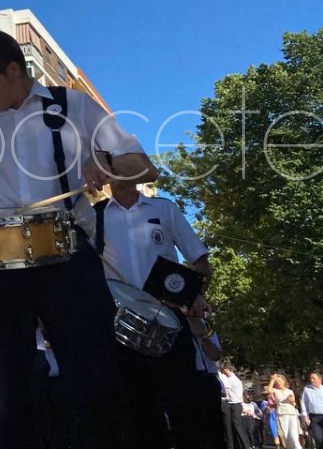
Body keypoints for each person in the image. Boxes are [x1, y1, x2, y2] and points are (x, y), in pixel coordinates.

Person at [0, 30, 156, 449]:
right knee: (7, 391)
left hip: (68, 258)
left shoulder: (73, 106)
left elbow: (143, 166)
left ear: (15, 70)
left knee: (93, 379)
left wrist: (106, 163)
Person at [93, 175, 212, 448]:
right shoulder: (94, 217)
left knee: (185, 409)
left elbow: (201, 261)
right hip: (119, 328)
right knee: (136, 415)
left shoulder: (164, 209)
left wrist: (196, 295)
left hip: (170, 322)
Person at [268, 375, 303, 449]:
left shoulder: (289, 391)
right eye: (277, 382)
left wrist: (291, 400)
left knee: (293, 434)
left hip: (291, 414)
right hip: (281, 414)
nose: (279, 383)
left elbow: (293, 400)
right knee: (286, 435)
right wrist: (273, 380)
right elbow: (269, 390)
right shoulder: (276, 391)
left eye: (280, 381)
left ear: (284, 381)